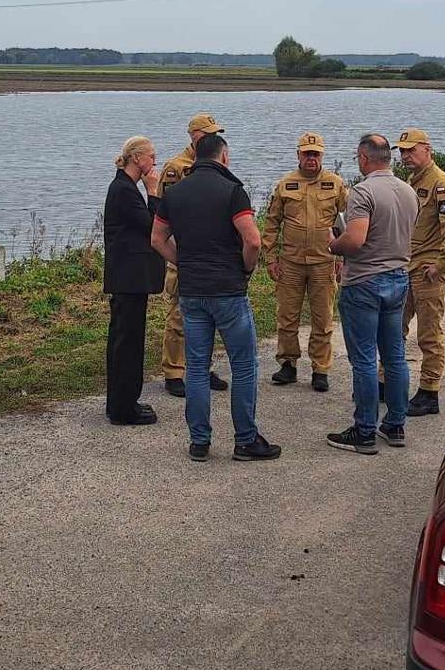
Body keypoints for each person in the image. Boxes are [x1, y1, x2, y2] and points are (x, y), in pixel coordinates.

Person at [150, 132, 282, 463]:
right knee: (244, 366)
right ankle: (246, 440)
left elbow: (157, 239)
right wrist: (245, 268)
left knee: (196, 367)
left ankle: (199, 441)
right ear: (223, 157)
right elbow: (253, 240)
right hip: (228, 291)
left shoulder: (175, 193)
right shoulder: (232, 191)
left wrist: (184, 262)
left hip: (192, 292)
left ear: (195, 157)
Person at [324, 134, 416, 455]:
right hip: (398, 277)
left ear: (364, 158)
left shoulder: (363, 192)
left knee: (363, 358)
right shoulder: (408, 191)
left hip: (364, 281)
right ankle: (395, 424)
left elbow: (355, 240)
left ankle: (363, 430)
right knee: (394, 356)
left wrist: (333, 244)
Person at [261, 132, 347, 393]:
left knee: (323, 318)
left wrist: (343, 257)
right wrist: (271, 258)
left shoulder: (335, 184)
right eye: (307, 153)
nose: (311, 158)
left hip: (324, 261)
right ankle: (288, 364)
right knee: (287, 316)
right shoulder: (286, 184)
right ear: (298, 154)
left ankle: (320, 369)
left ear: (322, 155)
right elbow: (272, 223)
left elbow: (346, 223)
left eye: (316, 154)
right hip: (291, 262)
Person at [397, 128, 445, 417]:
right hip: (407, 265)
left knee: (428, 333)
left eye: (411, 150)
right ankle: (385, 382)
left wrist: (441, 265)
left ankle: (429, 391)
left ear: (427, 149)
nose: (406, 156)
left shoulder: (440, 182)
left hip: (426, 270)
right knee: (394, 327)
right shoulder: (412, 182)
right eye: (402, 151)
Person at [157, 113, 229, 399]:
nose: (212, 138)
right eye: (207, 134)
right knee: (178, 316)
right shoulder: (176, 168)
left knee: (208, 316)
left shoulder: (217, 165)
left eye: (215, 134)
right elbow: (164, 213)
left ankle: (201, 368)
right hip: (183, 251)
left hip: (209, 252)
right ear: (194, 136)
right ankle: (174, 371)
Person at [102, 136, 166, 426]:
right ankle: (123, 407)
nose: (155, 161)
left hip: (128, 278)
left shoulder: (124, 188)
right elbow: (152, 226)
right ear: (137, 158)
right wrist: (153, 192)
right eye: (151, 156)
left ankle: (121, 402)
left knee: (125, 340)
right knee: (127, 343)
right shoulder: (124, 190)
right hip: (128, 279)